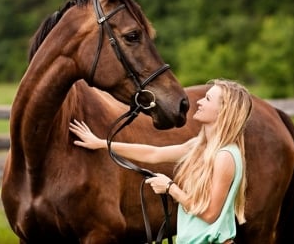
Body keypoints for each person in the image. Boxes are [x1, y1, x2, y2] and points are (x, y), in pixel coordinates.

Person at [69, 79, 253, 244]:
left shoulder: (225, 156)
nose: (198, 102)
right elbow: (153, 153)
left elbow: (211, 214)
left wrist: (170, 188)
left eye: (208, 99)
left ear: (224, 111)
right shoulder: (198, 146)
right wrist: (102, 143)